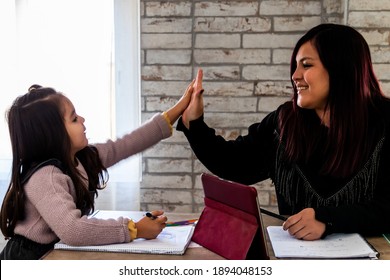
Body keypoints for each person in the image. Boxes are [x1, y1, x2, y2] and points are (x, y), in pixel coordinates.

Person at [178, 23, 390, 241]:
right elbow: (233, 163)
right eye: (296, 66)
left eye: (306, 65)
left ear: (341, 68)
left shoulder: (385, 121)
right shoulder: (284, 122)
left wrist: (328, 219)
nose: (295, 75)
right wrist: (194, 123)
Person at [0, 80, 196, 259]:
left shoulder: (83, 158)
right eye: (74, 118)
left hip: (54, 253)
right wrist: (134, 229)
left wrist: (179, 108)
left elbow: (127, 143)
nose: (83, 119)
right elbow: (73, 230)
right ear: (53, 134)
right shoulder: (46, 177)